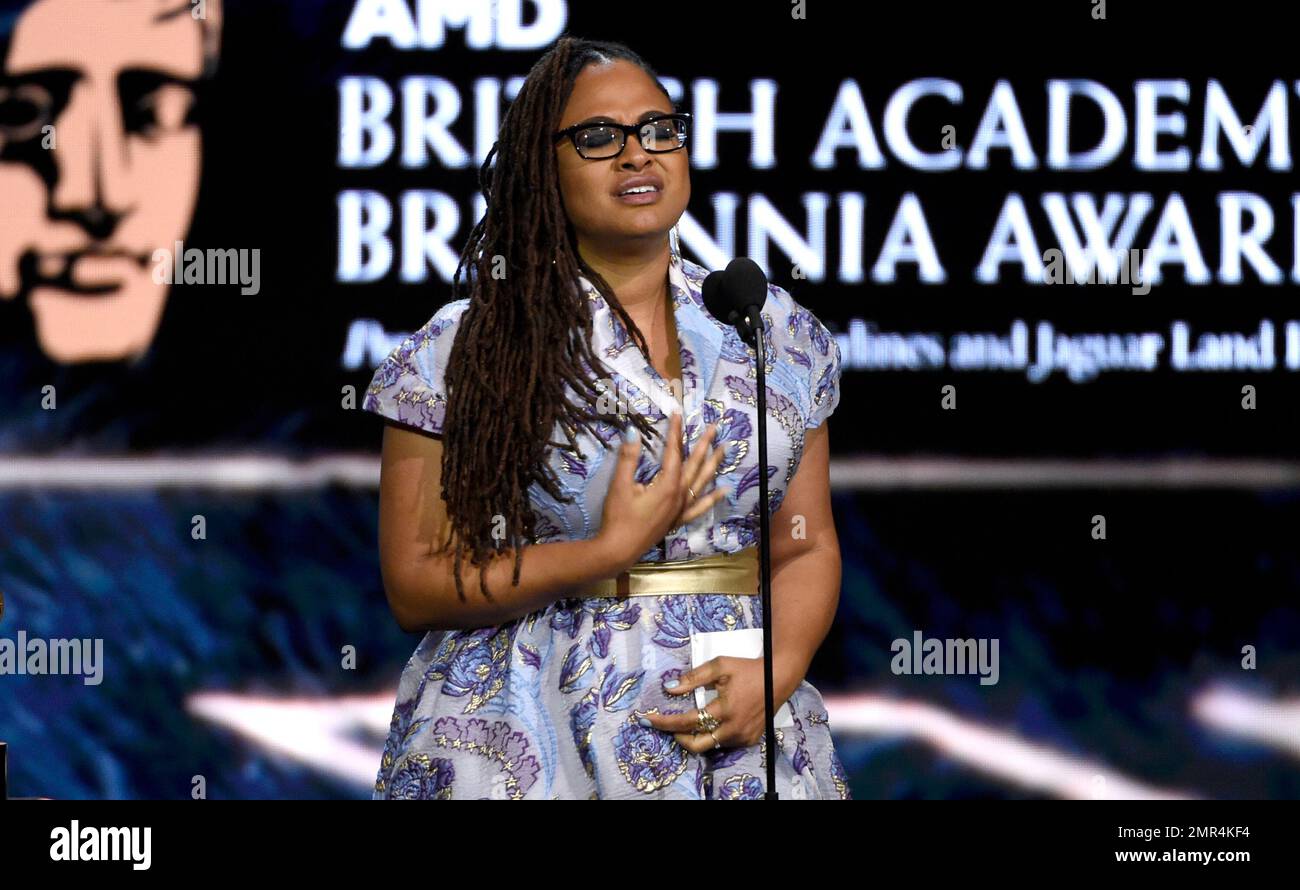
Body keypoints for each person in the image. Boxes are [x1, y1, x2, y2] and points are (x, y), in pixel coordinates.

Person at [363, 36, 849, 799]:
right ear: (541, 168)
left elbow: (808, 544)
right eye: (599, 138)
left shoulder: (771, 329)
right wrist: (606, 550)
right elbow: (415, 581)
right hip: (525, 730)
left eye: (659, 130)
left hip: (738, 731)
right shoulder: (466, 345)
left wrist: (776, 673)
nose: (637, 155)